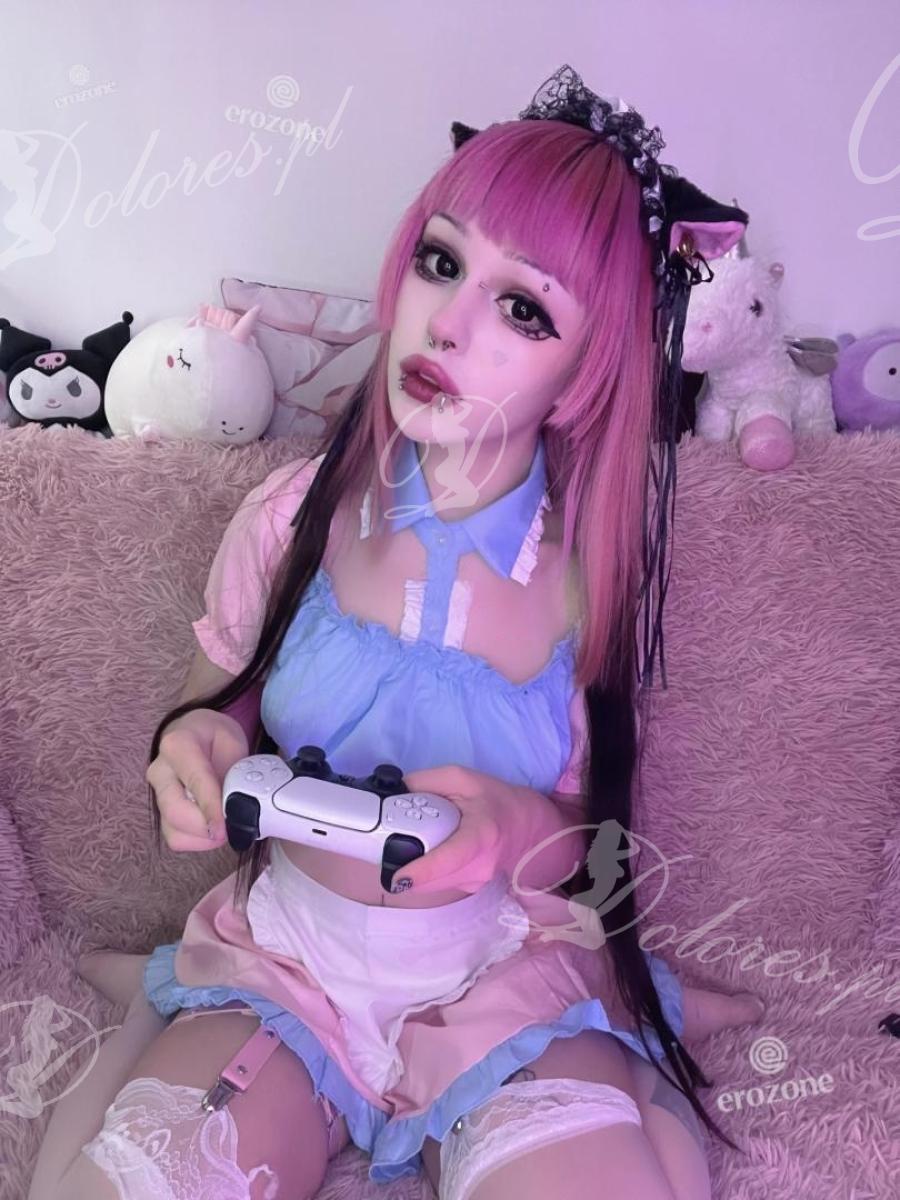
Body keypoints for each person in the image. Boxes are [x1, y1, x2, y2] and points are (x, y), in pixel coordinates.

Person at [29, 65, 765, 1200]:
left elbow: (591, 846)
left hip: (500, 985)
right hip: (285, 971)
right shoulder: (292, 520)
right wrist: (192, 750)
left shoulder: (587, 586)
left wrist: (509, 824)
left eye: (524, 309)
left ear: (588, 368)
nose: (449, 324)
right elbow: (204, 706)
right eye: (442, 261)